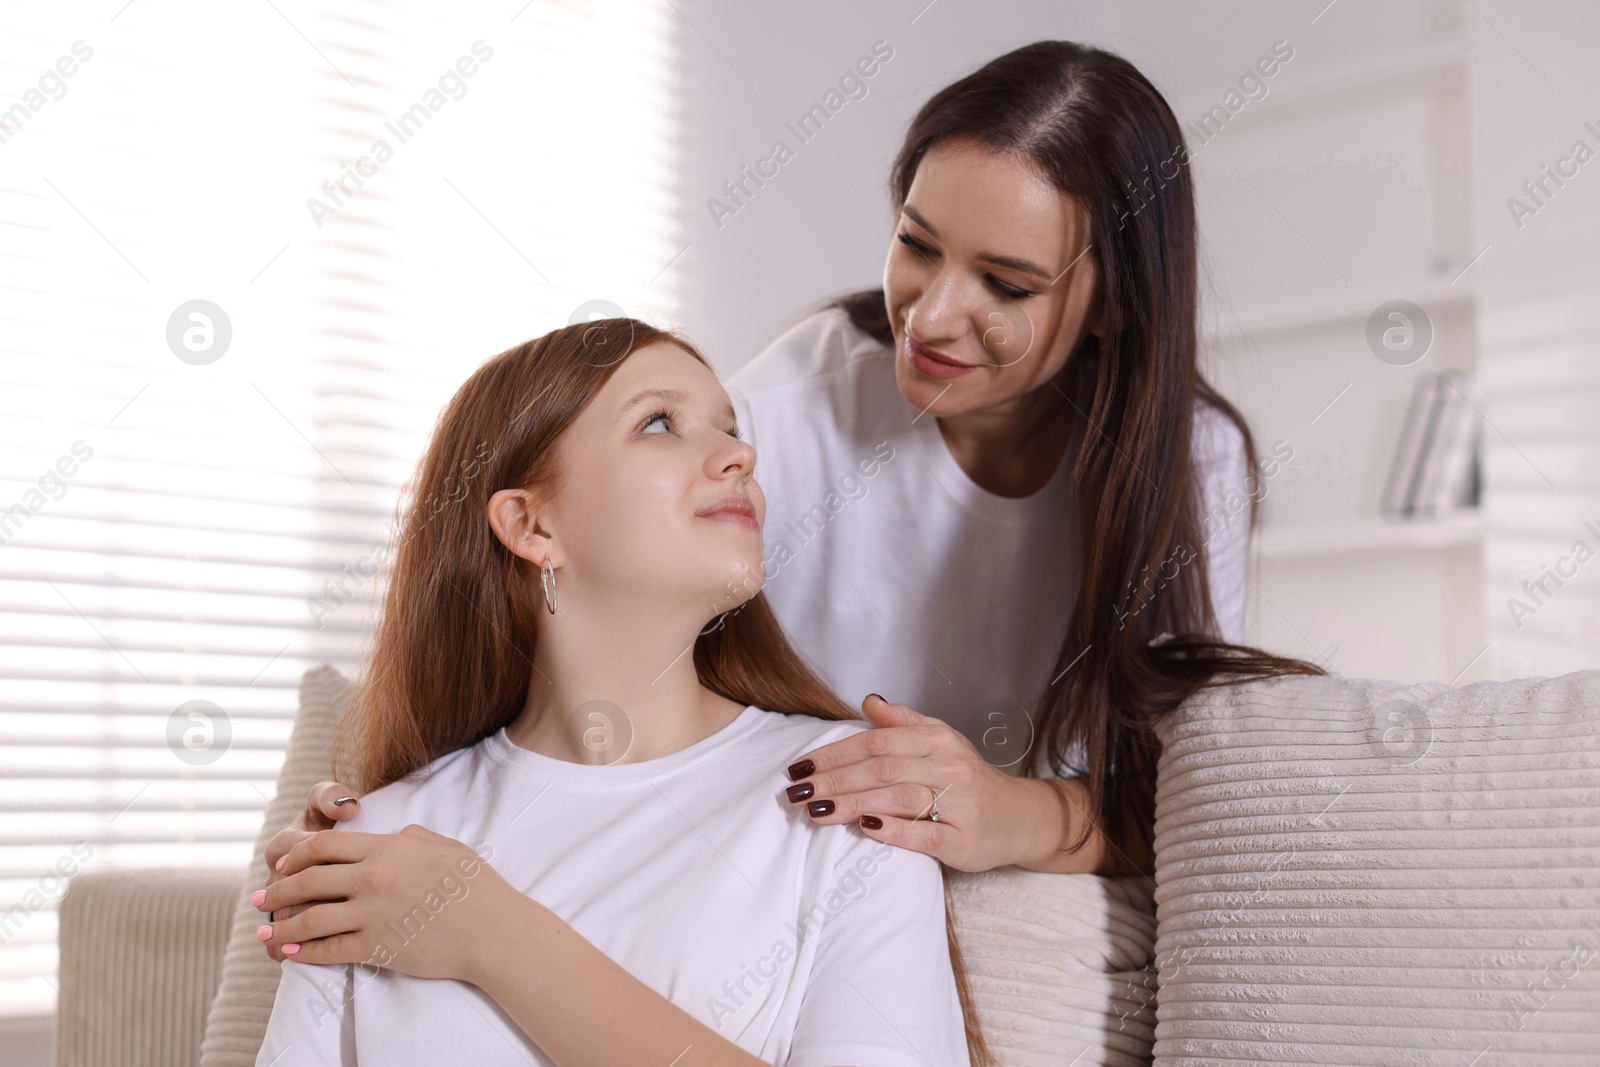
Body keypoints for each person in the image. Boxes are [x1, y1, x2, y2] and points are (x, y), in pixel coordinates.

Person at [261, 34, 1325, 992]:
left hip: (921, 877)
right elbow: (590, 618)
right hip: (770, 849)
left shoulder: (1192, 461)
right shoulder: (801, 398)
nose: (934, 315)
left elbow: (1175, 795)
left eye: (1004, 283)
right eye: (917, 244)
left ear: (1115, 308)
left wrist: (1009, 809)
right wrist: (412, 803)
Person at [253, 320, 986, 1066]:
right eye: (660, 423)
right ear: (531, 523)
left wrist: (489, 932)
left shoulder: (848, 787)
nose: (742, 454)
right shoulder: (382, 842)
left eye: (730, 427)